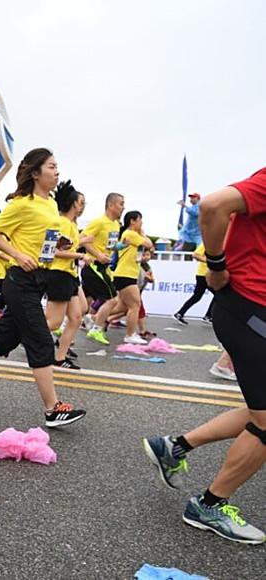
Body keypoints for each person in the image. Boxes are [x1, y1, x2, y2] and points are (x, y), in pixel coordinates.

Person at [143, 167, 266, 545]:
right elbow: (213, 206)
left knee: (260, 410)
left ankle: (175, 447)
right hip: (249, 307)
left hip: (253, 308)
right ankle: (209, 505)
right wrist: (216, 267)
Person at [0, 148, 86, 428]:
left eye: (57, 166)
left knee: (6, 337)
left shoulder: (50, 203)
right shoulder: (22, 204)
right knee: (41, 340)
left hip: (39, 278)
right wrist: (18, 255)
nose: (57, 171)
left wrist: (58, 244)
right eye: (51, 166)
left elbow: (39, 236)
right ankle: (52, 409)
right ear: (36, 173)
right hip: (19, 280)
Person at [44, 181, 87, 369]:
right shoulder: (61, 223)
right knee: (53, 323)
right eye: (81, 202)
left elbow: (67, 247)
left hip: (69, 275)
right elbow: (51, 251)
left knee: (76, 317)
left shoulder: (71, 225)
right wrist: (80, 255)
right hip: (58, 274)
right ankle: (19, 334)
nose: (82, 206)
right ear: (73, 204)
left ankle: (60, 358)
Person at [81, 192, 125, 345]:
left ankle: (70, 326)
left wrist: (121, 246)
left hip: (104, 268)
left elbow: (110, 246)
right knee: (112, 299)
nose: (123, 207)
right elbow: (83, 240)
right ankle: (96, 328)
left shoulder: (116, 225)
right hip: (94, 267)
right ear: (111, 205)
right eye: (121, 204)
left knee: (84, 304)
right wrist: (98, 255)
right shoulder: (99, 222)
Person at [111, 211, 154, 345]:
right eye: (140, 220)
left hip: (127, 274)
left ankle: (94, 318)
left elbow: (149, 247)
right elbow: (149, 244)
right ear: (132, 221)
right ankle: (130, 335)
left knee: (122, 307)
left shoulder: (132, 235)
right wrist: (142, 233)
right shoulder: (130, 234)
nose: (142, 223)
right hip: (125, 274)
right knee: (135, 304)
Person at [174, 242, 214, 324]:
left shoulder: (220, 244)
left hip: (206, 274)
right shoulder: (206, 243)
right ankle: (208, 316)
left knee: (197, 296)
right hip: (204, 274)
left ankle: (180, 313)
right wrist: (210, 261)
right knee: (219, 295)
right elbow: (195, 255)